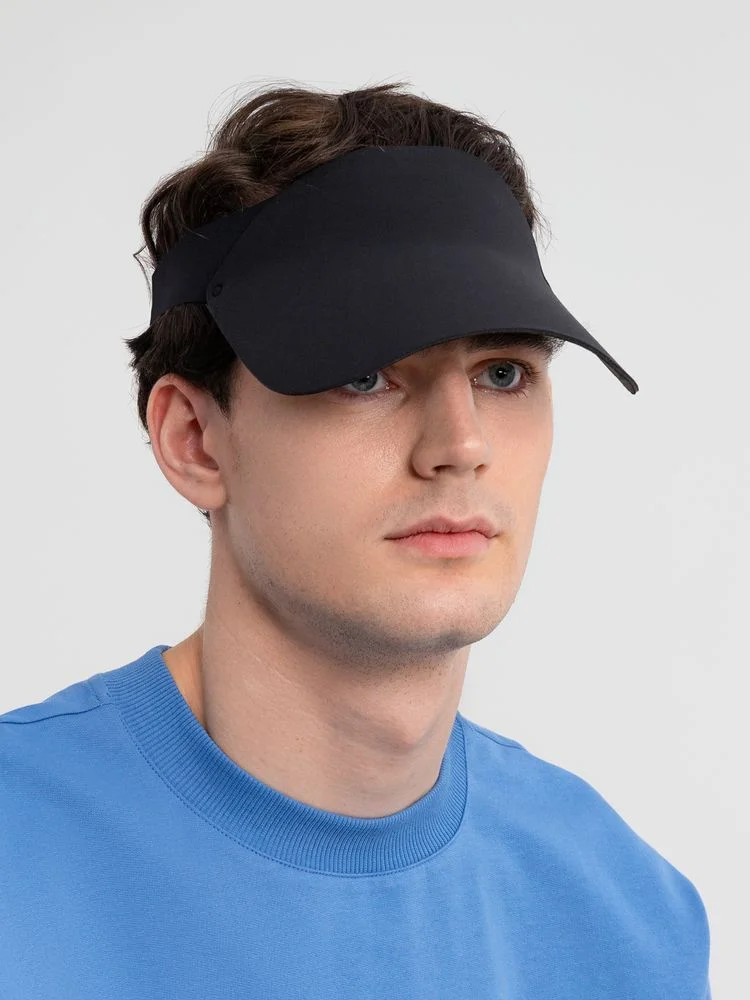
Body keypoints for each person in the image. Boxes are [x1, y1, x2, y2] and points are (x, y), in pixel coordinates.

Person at [0, 81, 711, 998]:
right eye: (367, 375)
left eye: (502, 373)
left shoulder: (628, 919)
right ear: (195, 441)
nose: (461, 446)